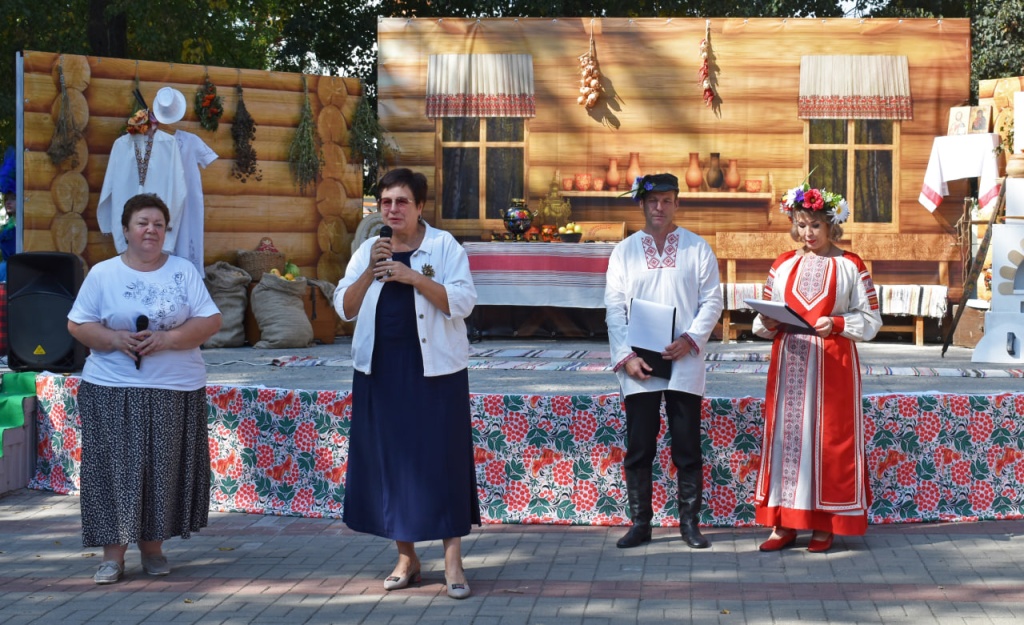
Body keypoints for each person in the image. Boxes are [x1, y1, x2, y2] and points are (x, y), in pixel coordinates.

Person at [333, 168, 479, 599]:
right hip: (381, 372)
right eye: (386, 202)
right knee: (393, 465)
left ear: (419, 207)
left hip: (436, 371)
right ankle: (407, 558)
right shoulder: (368, 250)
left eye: (401, 202)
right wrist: (372, 269)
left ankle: (453, 560)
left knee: (443, 460)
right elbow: (343, 307)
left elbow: (464, 302)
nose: (392, 209)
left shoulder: (444, 246)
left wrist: (413, 276)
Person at [67, 193, 222, 584]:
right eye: (142, 223)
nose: (151, 230)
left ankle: (153, 550)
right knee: (113, 471)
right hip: (113, 388)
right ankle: (112, 558)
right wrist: (115, 339)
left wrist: (168, 340)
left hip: (175, 387)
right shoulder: (103, 274)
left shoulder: (183, 271)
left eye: (158, 224)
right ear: (125, 230)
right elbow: (77, 324)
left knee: (161, 470)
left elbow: (210, 320)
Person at [751, 184, 881, 553]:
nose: (808, 234)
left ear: (832, 226)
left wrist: (837, 325)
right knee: (786, 439)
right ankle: (784, 522)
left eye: (815, 226)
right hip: (790, 360)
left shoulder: (851, 265)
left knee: (829, 440)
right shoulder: (783, 264)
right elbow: (762, 319)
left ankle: (825, 523)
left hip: (832, 363)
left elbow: (871, 320)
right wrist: (769, 322)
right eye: (802, 225)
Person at [604, 173, 724, 549]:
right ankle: (641, 523)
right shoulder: (624, 251)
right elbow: (614, 307)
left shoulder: (696, 248)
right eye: (653, 200)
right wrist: (625, 357)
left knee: (686, 444)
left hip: (683, 358)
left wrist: (690, 339)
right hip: (639, 362)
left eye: (668, 200)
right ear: (642, 203)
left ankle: (690, 524)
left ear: (677, 203)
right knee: (640, 444)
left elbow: (712, 301)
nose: (660, 207)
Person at [0, 146, 16, 282]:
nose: (8, 203)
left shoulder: (25, 226)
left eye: (13, 199)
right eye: (7, 199)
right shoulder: (7, 226)